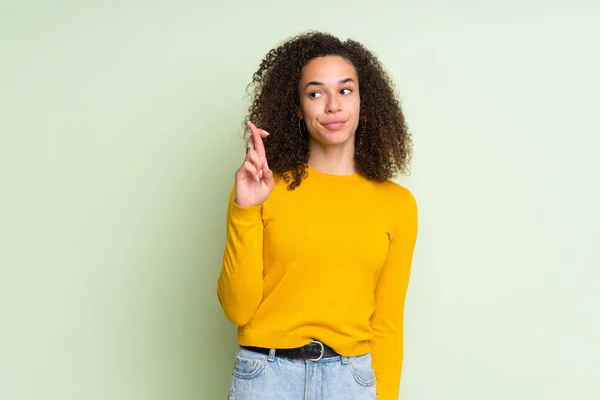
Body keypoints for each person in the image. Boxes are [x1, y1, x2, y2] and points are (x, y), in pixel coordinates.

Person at [217, 31, 418, 400]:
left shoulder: (397, 203)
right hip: (265, 377)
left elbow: (387, 324)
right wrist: (244, 209)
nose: (332, 106)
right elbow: (237, 308)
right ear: (298, 107)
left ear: (363, 101)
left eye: (345, 90)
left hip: (352, 380)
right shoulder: (262, 187)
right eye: (315, 93)